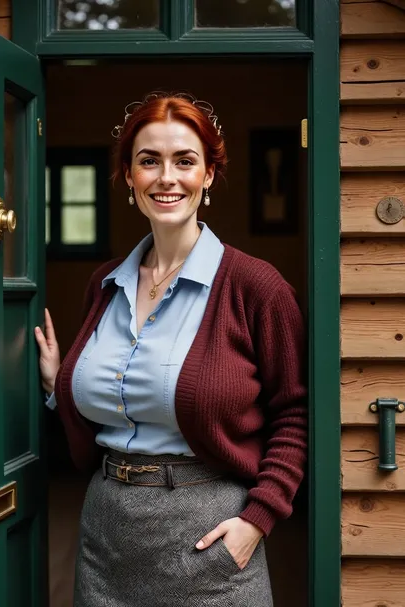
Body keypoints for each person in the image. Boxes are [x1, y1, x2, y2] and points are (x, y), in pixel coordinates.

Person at [35, 91, 307, 607]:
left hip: (210, 540)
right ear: (129, 178)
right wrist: (61, 385)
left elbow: (295, 414)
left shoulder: (256, 287)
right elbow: (108, 415)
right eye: (148, 161)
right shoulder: (106, 285)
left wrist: (258, 519)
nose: (166, 177)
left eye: (184, 160)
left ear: (207, 175)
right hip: (105, 539)